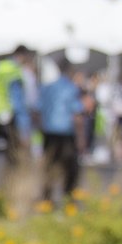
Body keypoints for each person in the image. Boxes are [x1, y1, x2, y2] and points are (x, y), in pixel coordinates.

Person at [36, 60, 84, 201]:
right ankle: (69, 198)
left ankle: (46, 198)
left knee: (49, 165)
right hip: (65, 133)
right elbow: (77, 115)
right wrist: (81, 138)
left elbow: (38, 110)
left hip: (49, 132)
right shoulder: (71, 88)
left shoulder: (47, 88)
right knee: (70, 168)